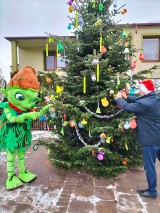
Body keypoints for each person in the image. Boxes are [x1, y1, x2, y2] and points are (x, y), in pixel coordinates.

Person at [115, 79, 160, 199]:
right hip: (158, 136)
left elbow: (128, 107)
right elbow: (138, 100)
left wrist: (119, 98)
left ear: (144, 91)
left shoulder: (145, 103)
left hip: (150, 140)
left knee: (149, 166)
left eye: (140, 89)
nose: (139, 91)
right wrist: (126, 96)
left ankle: (152, 191)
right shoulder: (154, 98)